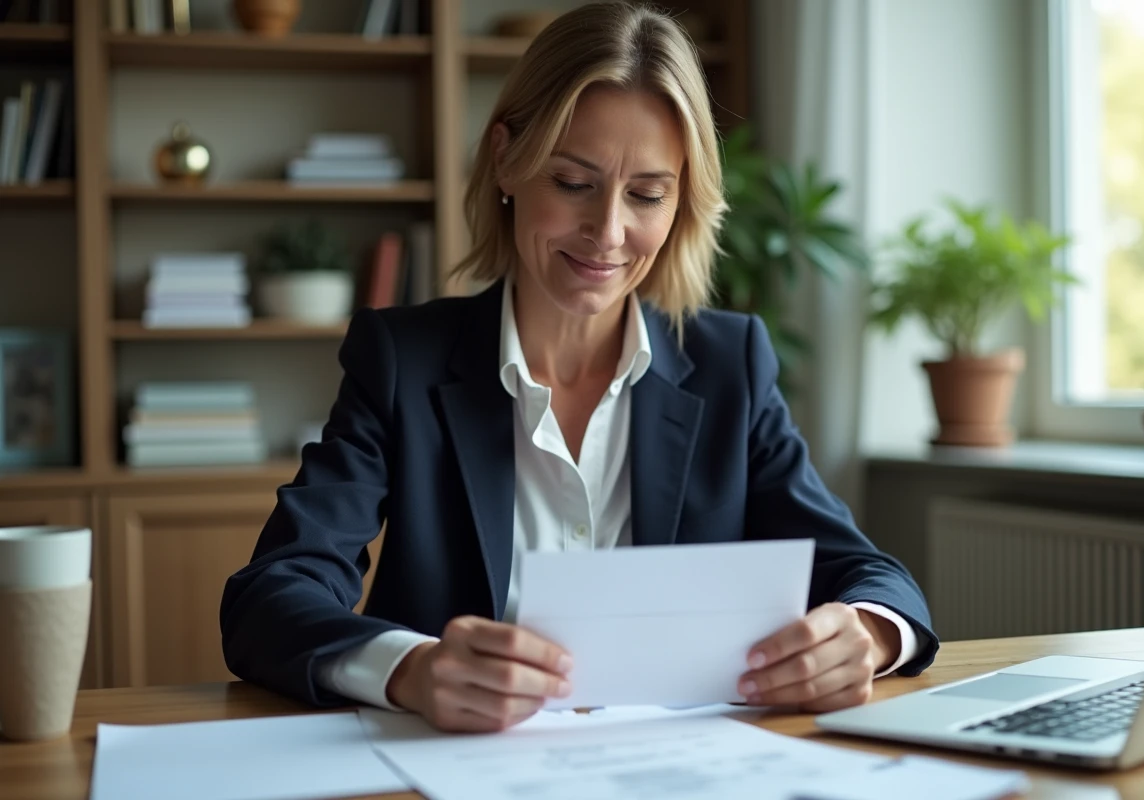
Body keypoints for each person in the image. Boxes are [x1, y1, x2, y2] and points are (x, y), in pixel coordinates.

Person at [220, 1, 938, 734]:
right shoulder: (402, 360)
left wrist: (870, 634)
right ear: (507, 158)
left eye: (647, 194)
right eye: (573, 182)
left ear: (682, 201)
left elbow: (873, 578)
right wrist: (412, 669)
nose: (608, 232)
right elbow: (271, 595)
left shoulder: (730, 365)